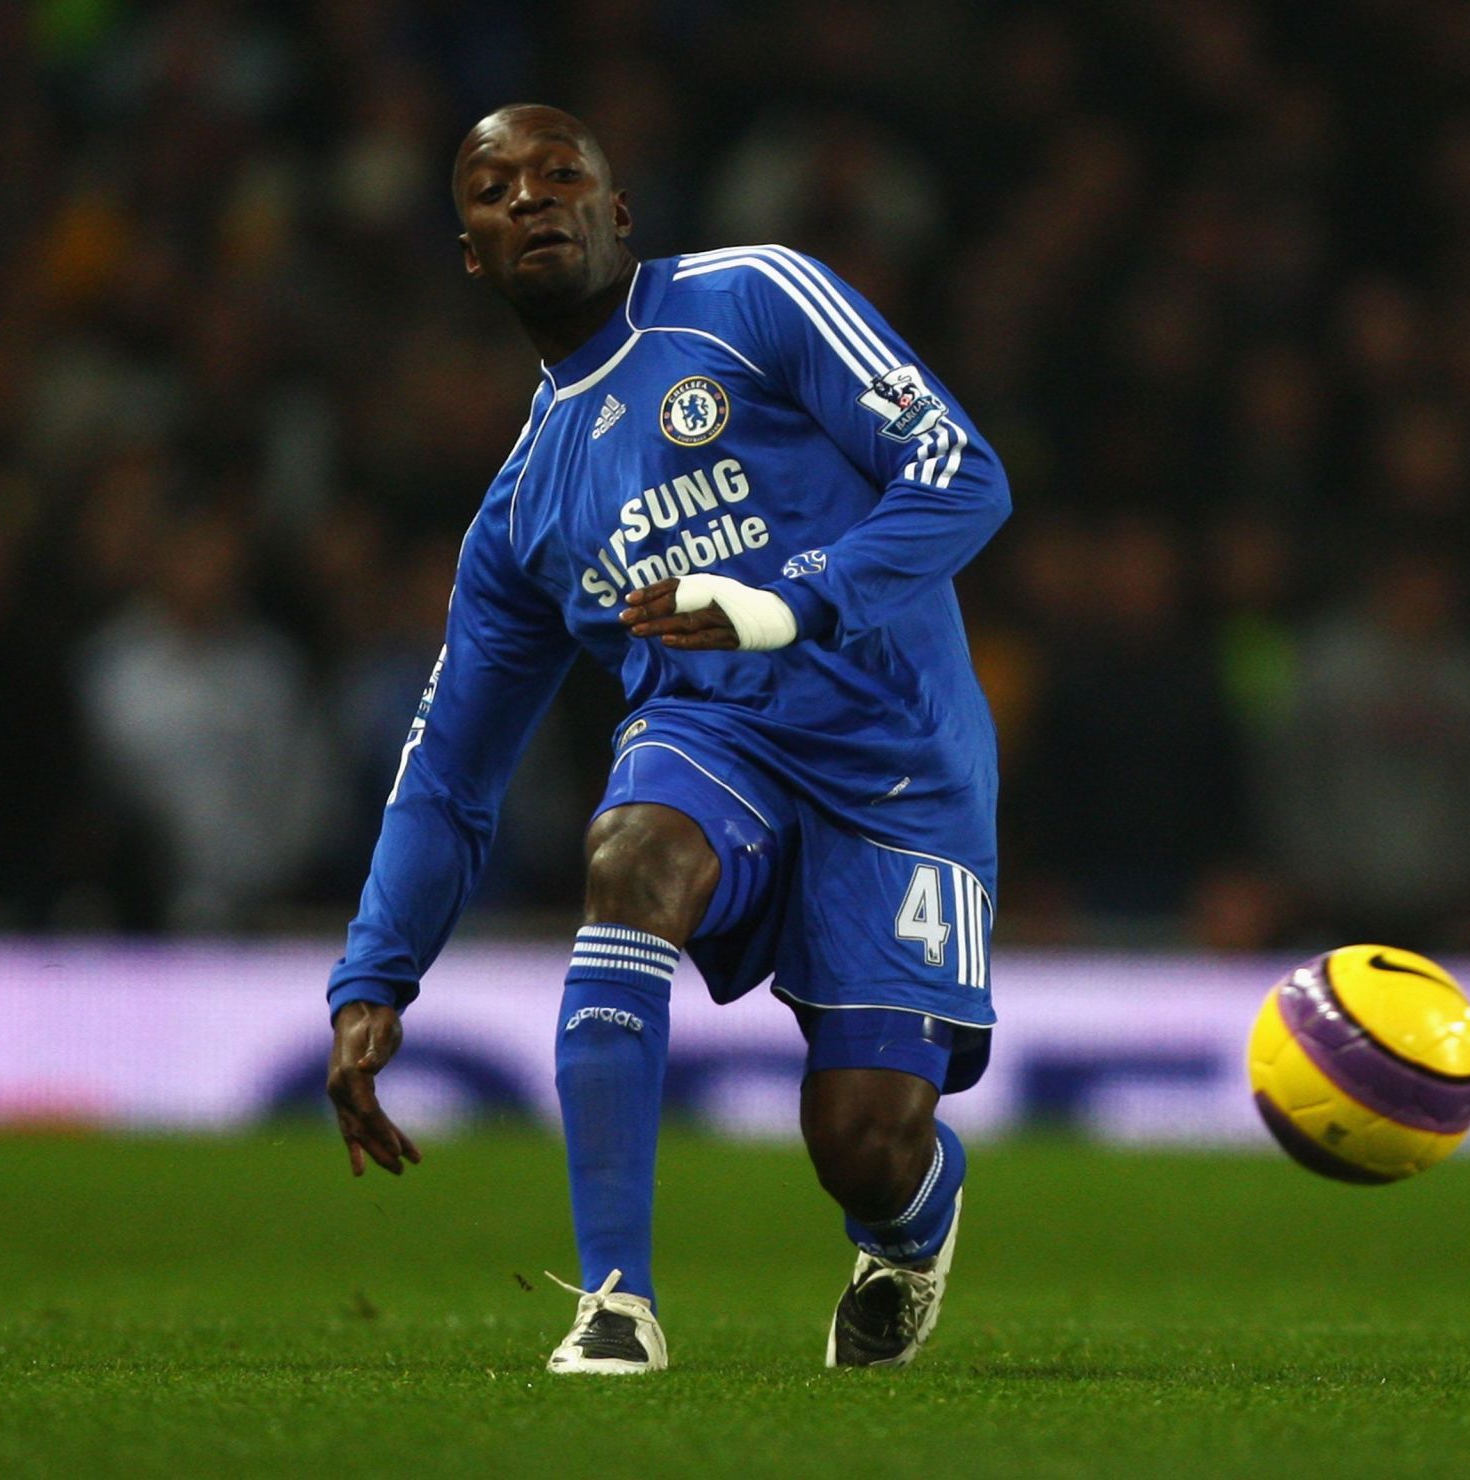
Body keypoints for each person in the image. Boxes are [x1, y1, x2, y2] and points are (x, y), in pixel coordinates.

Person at [323, 105, 1009, 1375]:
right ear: (470, 252)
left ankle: (909, 1229)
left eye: (558, 172)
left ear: (618, 210)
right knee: (631, 847)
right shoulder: (524, 512)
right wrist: (374, 976)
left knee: (864, 1138)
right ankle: (616, 1304)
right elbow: (450, 775)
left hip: (899, 761)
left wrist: (791, 598)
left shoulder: (751, 298)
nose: (529, 197)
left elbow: (960, 472)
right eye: (491, 188)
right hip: (713, 742)